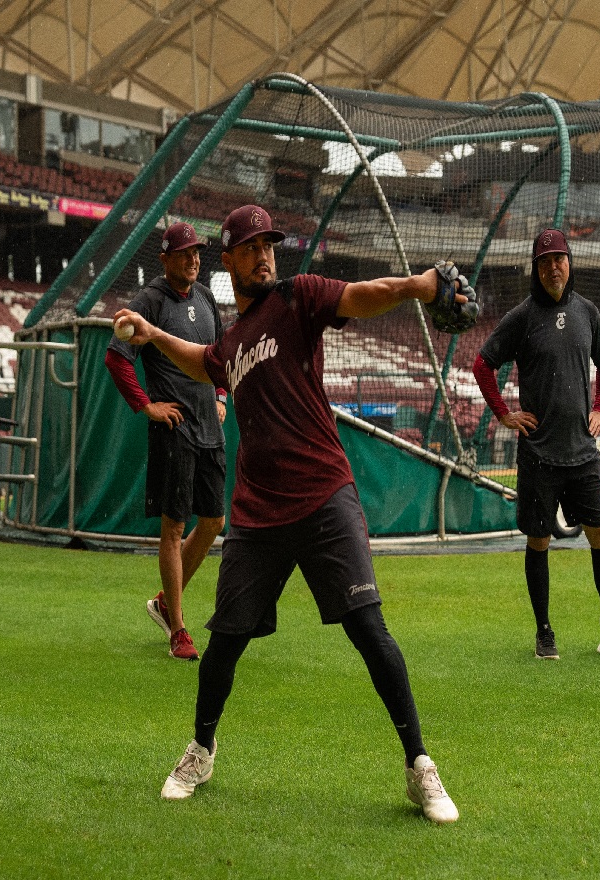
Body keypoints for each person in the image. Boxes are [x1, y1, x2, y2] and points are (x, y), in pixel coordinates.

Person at [114, 204, 460, 824]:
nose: (264, 255)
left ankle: (419, 766)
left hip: (325, 495)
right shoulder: (233, 339)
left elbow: (361, 294)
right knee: (224, 644)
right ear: (229, 261)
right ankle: (201, 749)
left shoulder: (299, 296)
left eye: (269, 244)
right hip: (259, 511)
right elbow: (204, 361)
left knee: (369, 630)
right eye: (250, 247)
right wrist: (151, 333)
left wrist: (417, 286)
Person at [472, 227, 600, 661]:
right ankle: (544, 632)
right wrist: (503, 414)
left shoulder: (588, 312)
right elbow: (482, 364)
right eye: (546, 260)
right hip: (539, 454)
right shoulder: (522, 316)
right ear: (536, 268)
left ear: (570, 263)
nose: (554, 267)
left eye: (560, 259)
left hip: (583, 452)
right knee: (539, 540)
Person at [104, 221, 228, 662]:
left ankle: (162, 602)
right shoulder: (150, 302)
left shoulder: (208, 298)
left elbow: (219, 357)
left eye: (197, 253)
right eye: (184, 254)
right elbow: (116, 357)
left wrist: (219, 394)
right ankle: (178, 628)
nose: (194, 259)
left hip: (209, 428)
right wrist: (147, 406)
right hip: (174, 430)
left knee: (213, 523)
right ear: (164, 259)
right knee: (173, 529)